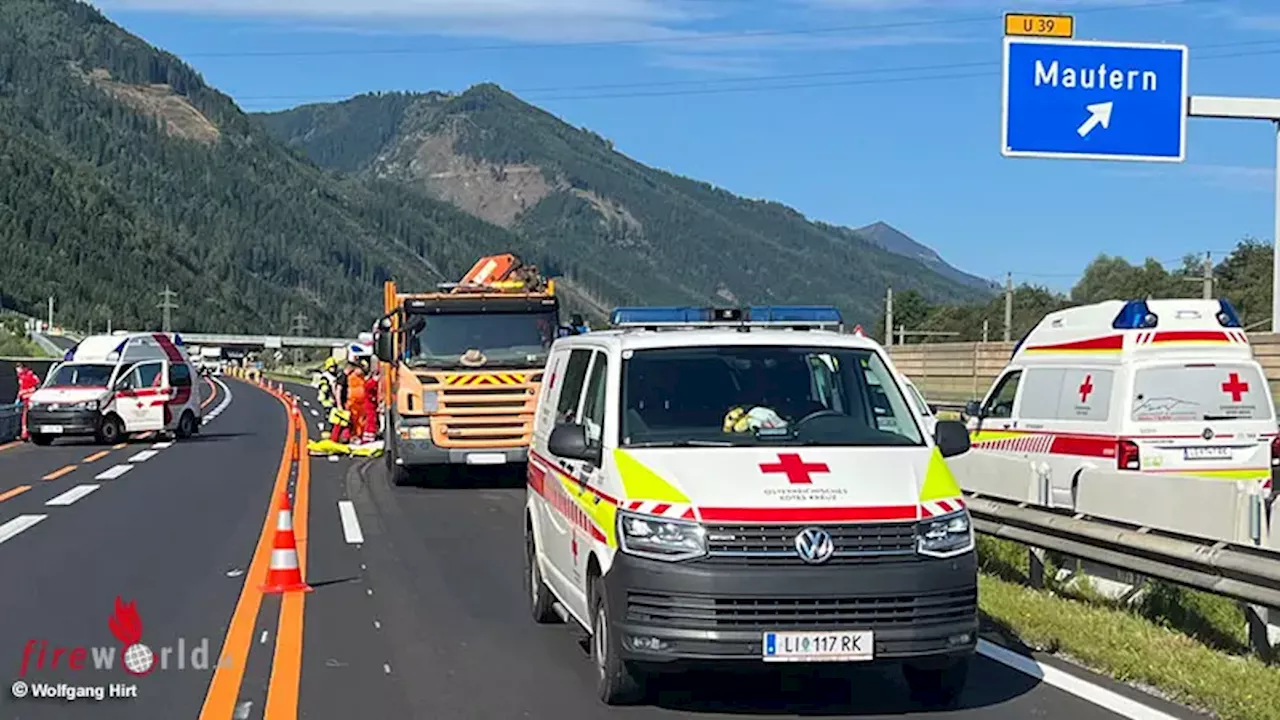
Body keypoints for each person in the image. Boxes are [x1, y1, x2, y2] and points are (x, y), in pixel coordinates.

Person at [15, 362, 40, 442]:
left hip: (30, 400)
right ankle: (24, 433)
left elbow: (36, 386)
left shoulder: (29, 376)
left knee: (26, 417)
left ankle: (25, 433)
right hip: (25, 399)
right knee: (24, 417)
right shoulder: (22, 377)